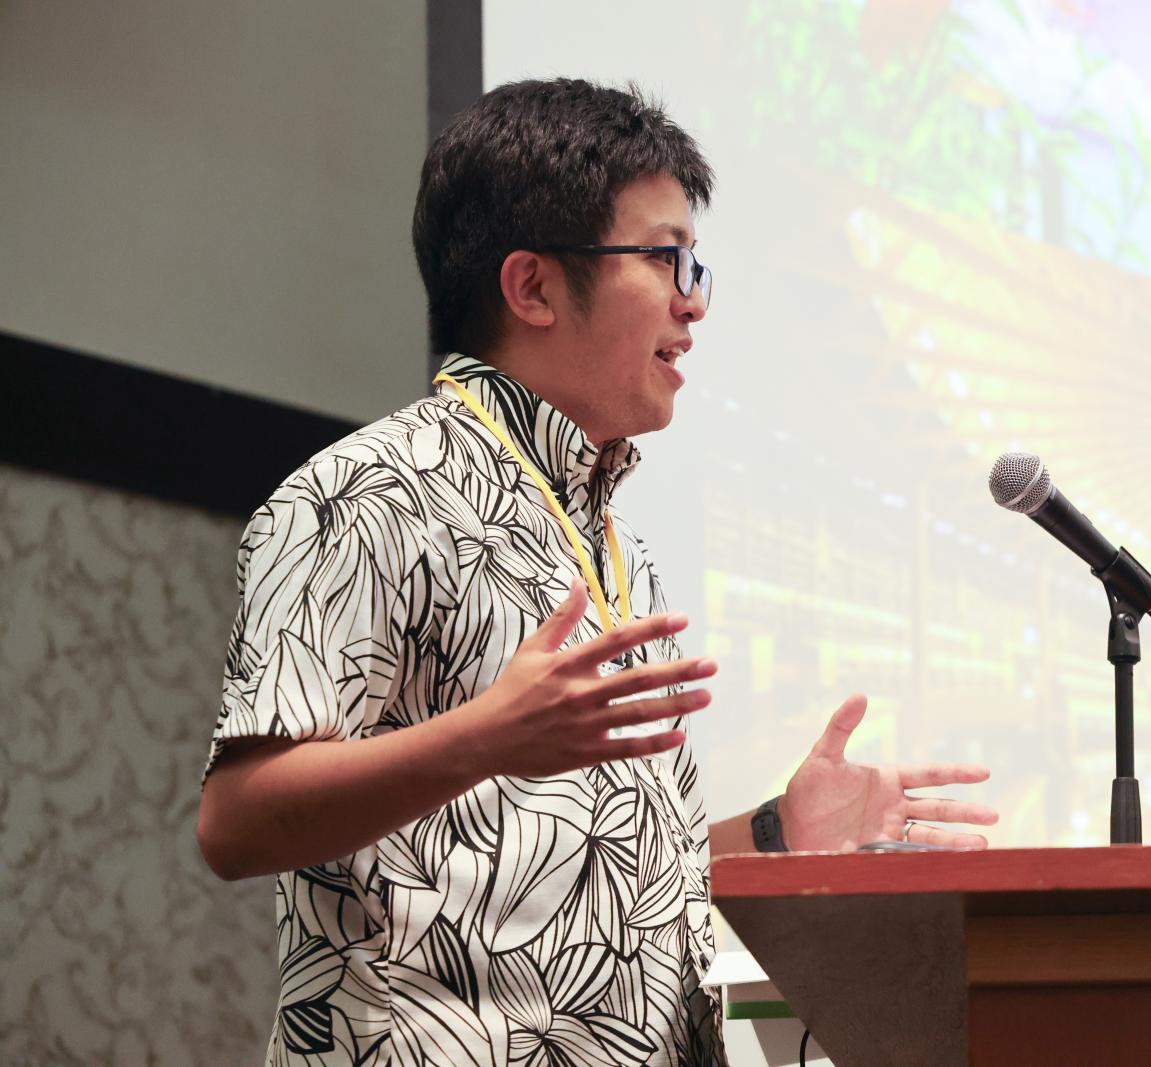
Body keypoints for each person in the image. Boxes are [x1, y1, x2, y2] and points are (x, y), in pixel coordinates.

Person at [196, 78, 998, 1067]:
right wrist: (484, 736)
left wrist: (776, 829)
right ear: (532, 287)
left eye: (695, 264)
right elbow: (234, 821)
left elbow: (600, 888)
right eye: (664, 259)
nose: (693, 301)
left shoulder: (612, 539)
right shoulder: (365, 491)